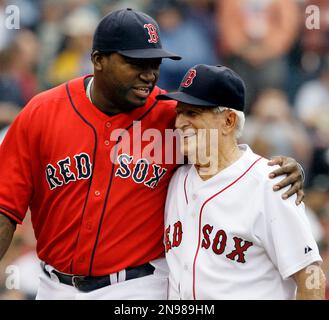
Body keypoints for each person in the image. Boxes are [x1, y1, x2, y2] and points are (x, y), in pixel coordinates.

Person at [0, 8, 304, 300]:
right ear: (98, 60)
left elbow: (232, 155)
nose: (150, 74)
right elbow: (5, 207)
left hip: (138, 286)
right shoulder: (42, 113)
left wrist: (286, 168)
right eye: (136, 63)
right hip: (54, 286)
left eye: (155, 63)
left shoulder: (173, 117)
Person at [157, 64, 326, 299]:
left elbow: (311, 277)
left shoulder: (270, 184)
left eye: (193, 113)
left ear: (228, 121)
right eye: (180, 112)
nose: (180, 123)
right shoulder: (176, 180)